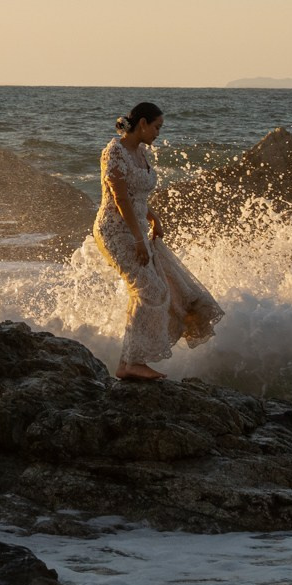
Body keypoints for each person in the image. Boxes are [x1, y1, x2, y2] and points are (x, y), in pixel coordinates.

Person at [96, 101, 222, 380]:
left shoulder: (140, 152)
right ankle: (132, 363)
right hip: (116, 231)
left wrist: (153, 218)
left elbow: (136, 195)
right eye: (156, 127)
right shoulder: (114, 151)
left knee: (160, 290)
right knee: (149, 292)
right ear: (142, 123)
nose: (157, 133)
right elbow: (119, 198)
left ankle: (127, 363)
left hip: (138, 229)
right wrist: (140, 240)